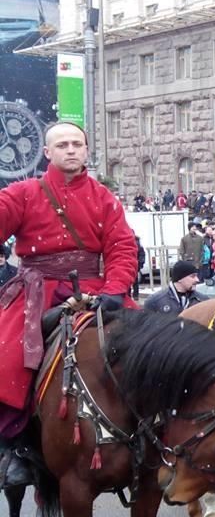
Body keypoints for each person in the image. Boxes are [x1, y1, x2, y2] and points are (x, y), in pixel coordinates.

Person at [0, 122, 138, 489]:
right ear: (48, 152)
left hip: (98, 289)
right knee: (7, 357)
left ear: (87, 150)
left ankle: (153, 438)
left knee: (152, 346)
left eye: (77, 144)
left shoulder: (104, 197)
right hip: (36, 291)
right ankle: (16, 448)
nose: (71, 150)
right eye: (62, 144)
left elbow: (123, 247)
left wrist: (115, 287)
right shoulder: (22, 193)